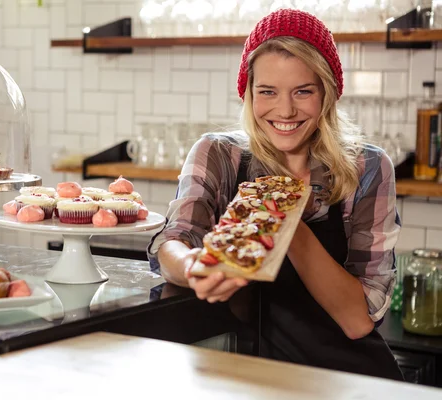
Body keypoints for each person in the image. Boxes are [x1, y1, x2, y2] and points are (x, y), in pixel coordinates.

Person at [148, 9, 404, 380]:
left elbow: (358, 320)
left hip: (346, 379)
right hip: (241, 374)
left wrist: (283, 223)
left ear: (327, 94)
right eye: (267, 91)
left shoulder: (368, 168)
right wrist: (192, 266)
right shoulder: (219, 155)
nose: (285, 110)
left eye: (303, 91)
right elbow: (173, 241)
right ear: (248, 93)